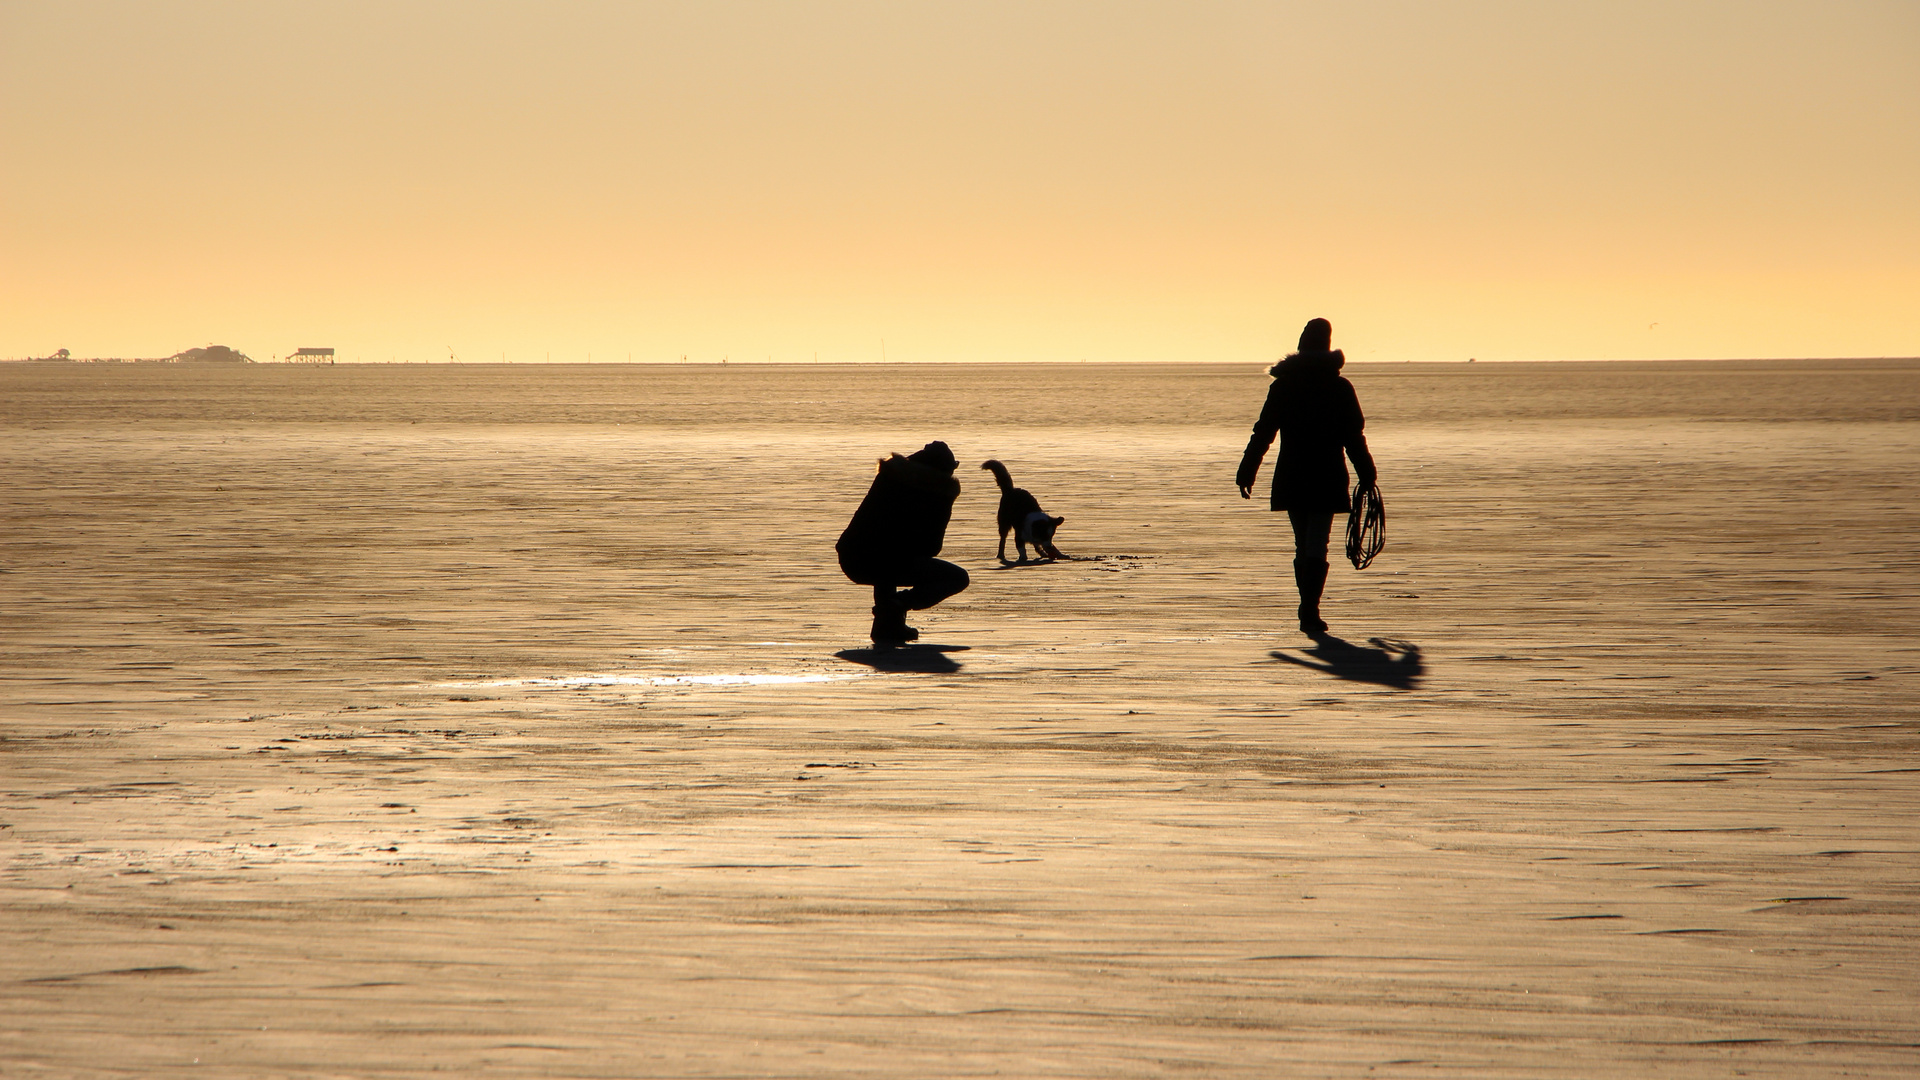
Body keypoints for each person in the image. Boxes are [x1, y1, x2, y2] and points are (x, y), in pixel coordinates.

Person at [1236, 318, 1377, 636]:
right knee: (1317, 543)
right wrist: (1366, 473)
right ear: (1327, 347)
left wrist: (1247, 470)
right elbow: (1353, 436)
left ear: (1301, 346)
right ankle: (1310, 609)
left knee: (1305, 544)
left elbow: (1264, 432)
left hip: (1293, 474)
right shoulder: (1339, 388)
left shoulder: (1284, 386)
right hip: (1327, 474)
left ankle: (1307, 608)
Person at [837, 440, 970, 644]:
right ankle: (897, 605)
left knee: (887, 559)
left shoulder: (890, 476)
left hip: (851, 557)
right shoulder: (938, 492)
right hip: (881, 559)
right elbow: (932, 547)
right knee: (958, 578)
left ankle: (887, 627)